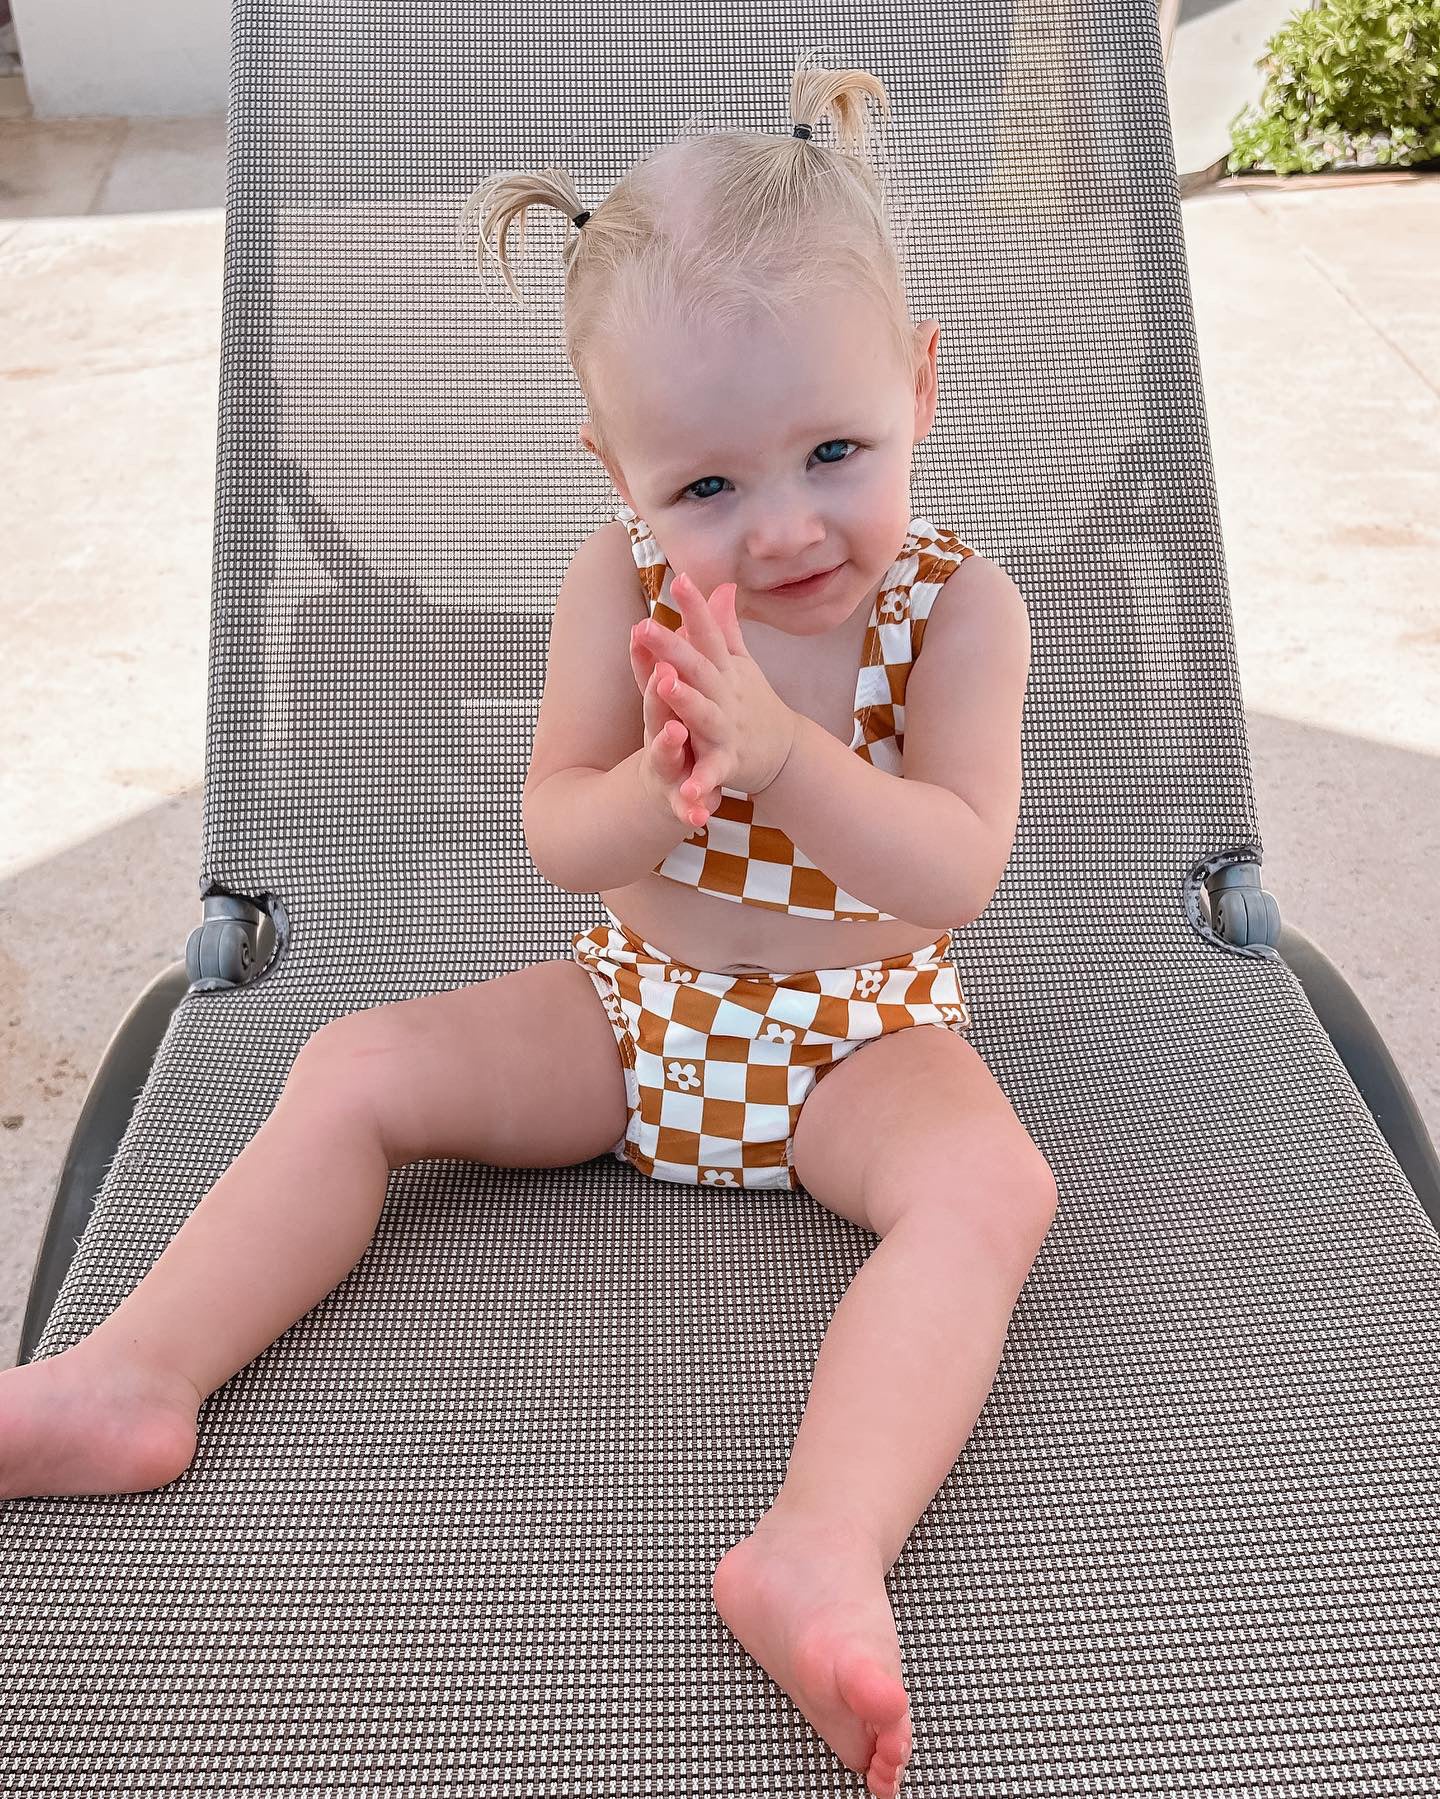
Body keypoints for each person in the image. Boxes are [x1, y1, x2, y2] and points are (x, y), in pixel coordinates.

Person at [1, 49, 1057, 1799]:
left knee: (992, 1192)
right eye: (707, 486)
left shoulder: (960, 613)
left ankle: (816, 1545)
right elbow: (561, 833)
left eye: (836, 451)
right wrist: (663, 793)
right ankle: (131, 1379)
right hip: (632, 1014)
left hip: (861, 1042)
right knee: (352, 1066)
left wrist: (786, 756)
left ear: (923, 388)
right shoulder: (615, 586)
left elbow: (953, 871)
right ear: (616, 469)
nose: (785, 524)